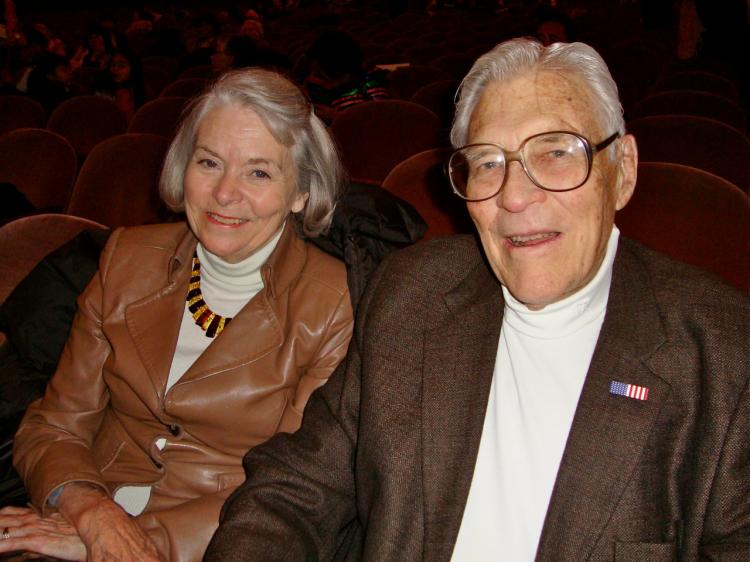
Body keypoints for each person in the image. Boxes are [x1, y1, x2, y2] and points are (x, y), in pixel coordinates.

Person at [205, 38, 750, 561]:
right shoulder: (412, 295)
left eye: (556, 152)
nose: (513, 196)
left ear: (622, 171)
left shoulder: (725, 359)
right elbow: (296, 488)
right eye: (488, 162)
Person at [0, 67, 354, 562]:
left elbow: (291, 492)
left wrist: (130, 541)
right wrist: (90, 513)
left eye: (258, 172)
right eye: (209, 162)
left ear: (300, 192)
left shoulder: (335, 305)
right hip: (77, 518)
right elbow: (54, 426)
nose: (225, 193)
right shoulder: (125, 258)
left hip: (224, 543)